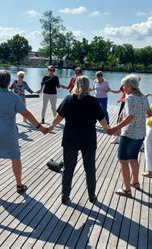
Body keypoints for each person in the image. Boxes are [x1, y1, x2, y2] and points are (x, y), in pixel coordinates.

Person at [49, 75, 109, 205]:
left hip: (70, 138)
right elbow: (103, 121)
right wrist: (108, 129)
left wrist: (50, 127)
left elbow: (58, 117)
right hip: (88, 139)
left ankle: (65, 196)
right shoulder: (94, 101)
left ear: (76, 84)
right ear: (88, 86)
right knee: (90, 169)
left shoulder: (69, 99)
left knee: (68, 169)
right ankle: (92, 196)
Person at [108, 74, 151, 197]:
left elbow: (129, 117)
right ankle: (136, 182)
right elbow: (149, 113)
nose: (123, 88)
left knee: (123, 160)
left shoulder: (130, 98)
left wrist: (115, 128)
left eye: (124, 86)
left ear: (129, 86)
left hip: (129, 133)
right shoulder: (143, 97)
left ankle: (127, 189)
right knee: (133, 158)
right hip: (141, 133)